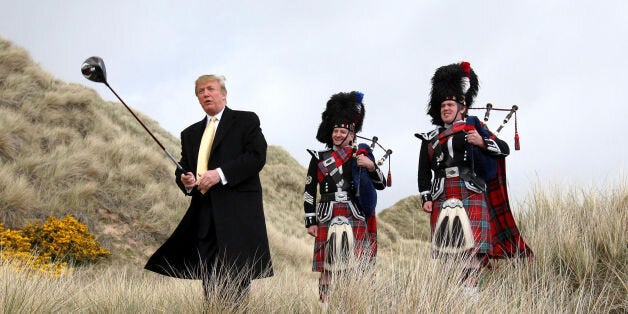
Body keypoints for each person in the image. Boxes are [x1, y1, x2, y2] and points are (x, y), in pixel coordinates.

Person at [145, 74, 273, 302]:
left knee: (235, 277)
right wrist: (185, 180)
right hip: (205, 214)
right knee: (210, 277)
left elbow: (256, 157)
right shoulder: (190, 133)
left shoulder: (246, 121)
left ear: (223, 94)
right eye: (200, 91)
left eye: (210, 89)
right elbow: (183, 167)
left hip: (237, 214)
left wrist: (220, 174)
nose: (205, 94)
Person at [415, 62, 532, 290]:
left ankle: (471, 295)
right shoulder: (429, 137)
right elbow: (423, 171)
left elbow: (504, 148)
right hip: (441, 195)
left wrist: (482, 141)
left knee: (472, 250)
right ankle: (454, 296)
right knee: (449, 254)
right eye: (443, 105)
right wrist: (426, 197)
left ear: (462, 107)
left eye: (450, 104)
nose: (446, 108)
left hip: (470, 190)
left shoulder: (474, 126)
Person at [303, 91, 386, 302]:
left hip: (353, 214)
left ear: (352, 135)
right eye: (336, 131)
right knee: (327, 269)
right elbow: (309, 191)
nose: (338, 135)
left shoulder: (360, 156)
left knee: (355, 267)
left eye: (343, 131)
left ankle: (352, 305)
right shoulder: (319, 157)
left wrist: (371, 166)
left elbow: (381, 184)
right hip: (327, 213)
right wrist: (310, 220)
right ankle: (325, 306)